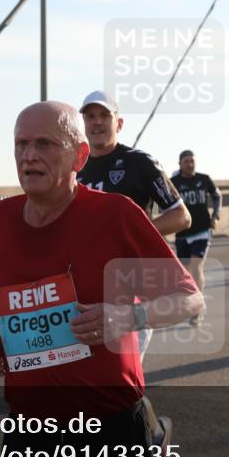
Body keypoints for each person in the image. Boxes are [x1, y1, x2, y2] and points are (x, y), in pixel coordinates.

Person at [0, 101, 204, 457]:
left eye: (44, 144)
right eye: (21, 144)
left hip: (110, 430)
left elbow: (190, 299)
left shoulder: (117, 215)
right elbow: (8, 301)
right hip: (31, 432)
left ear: (79, 157)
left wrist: (128, 316)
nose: (29, 156)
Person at [77, 89, 190, 360]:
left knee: (123, 375)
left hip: (132, 285)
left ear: (119, 123)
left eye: (104, 115)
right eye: (90, 116)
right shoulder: (74, 167)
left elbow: (181, 216)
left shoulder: (138, 162)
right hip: (86, 284)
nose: (96, 122)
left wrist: (130, 234)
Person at [171, 150, 221, 326]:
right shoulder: (174, 183)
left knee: (196, 266)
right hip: (182, 233)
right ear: (180, 164)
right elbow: (164, 203)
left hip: (202, 231)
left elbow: (217, 196)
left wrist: (216, 215)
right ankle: (192, 301)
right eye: (186, 161)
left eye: (192, 161)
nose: (190, 164)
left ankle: (197, 308)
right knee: (185, 273)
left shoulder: (204, 179)